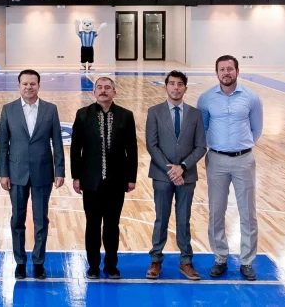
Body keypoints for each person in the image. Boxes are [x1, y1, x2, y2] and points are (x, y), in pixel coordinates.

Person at [198, 55, 263, 281]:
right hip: (216, 160)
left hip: (243, 160)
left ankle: (247, 261)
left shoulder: (251, 98)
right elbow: (203, 128)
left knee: (248, 213)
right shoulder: (206, 99)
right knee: (216, 211)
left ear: (237, 71)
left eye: (230, 69)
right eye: (222, 69)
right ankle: (220, 258)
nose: (226, 73)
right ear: (216, 73)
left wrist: (239, 147)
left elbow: (257, 129)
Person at [0, 69, 65, 280]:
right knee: (17, 220)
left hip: (43, 173)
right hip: (16, 174)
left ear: (38, 85)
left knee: (41, 220)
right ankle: (20, 261)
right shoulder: (8, 110)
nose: (29, 87)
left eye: (32, 84)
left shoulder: (50, 110)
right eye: (25, 84)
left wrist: (60, 170)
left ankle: (38, 261)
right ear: (19, 86)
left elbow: (58, 142)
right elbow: (3, 146)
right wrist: (3, 173)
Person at [70, 76, 137, 279]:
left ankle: (111, 265)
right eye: (99, 87)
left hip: (116, 182)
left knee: (111, 225)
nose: (103, 90)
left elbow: (132, 149)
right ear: (94, 92)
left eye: (108, 87)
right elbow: (75, 148)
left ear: (114, 92)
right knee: (92, 225)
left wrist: (131, 177)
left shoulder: (126, 116)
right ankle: (93, 265)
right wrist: (76, 176)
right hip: (90, 182)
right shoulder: (83, 115)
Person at [144, 70, 206, 281]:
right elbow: (151, 145)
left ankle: (186, 261)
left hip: (187, 175)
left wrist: (183, 166)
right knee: (161, 218)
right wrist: (171, 170)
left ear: (185, 88)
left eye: (180, 84)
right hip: (162, 175)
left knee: (184, 218)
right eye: (172, 83)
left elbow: (200, 146)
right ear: (166, 87)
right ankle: (156, 260)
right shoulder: (154, 112)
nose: (176, 87)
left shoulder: (195, 114)